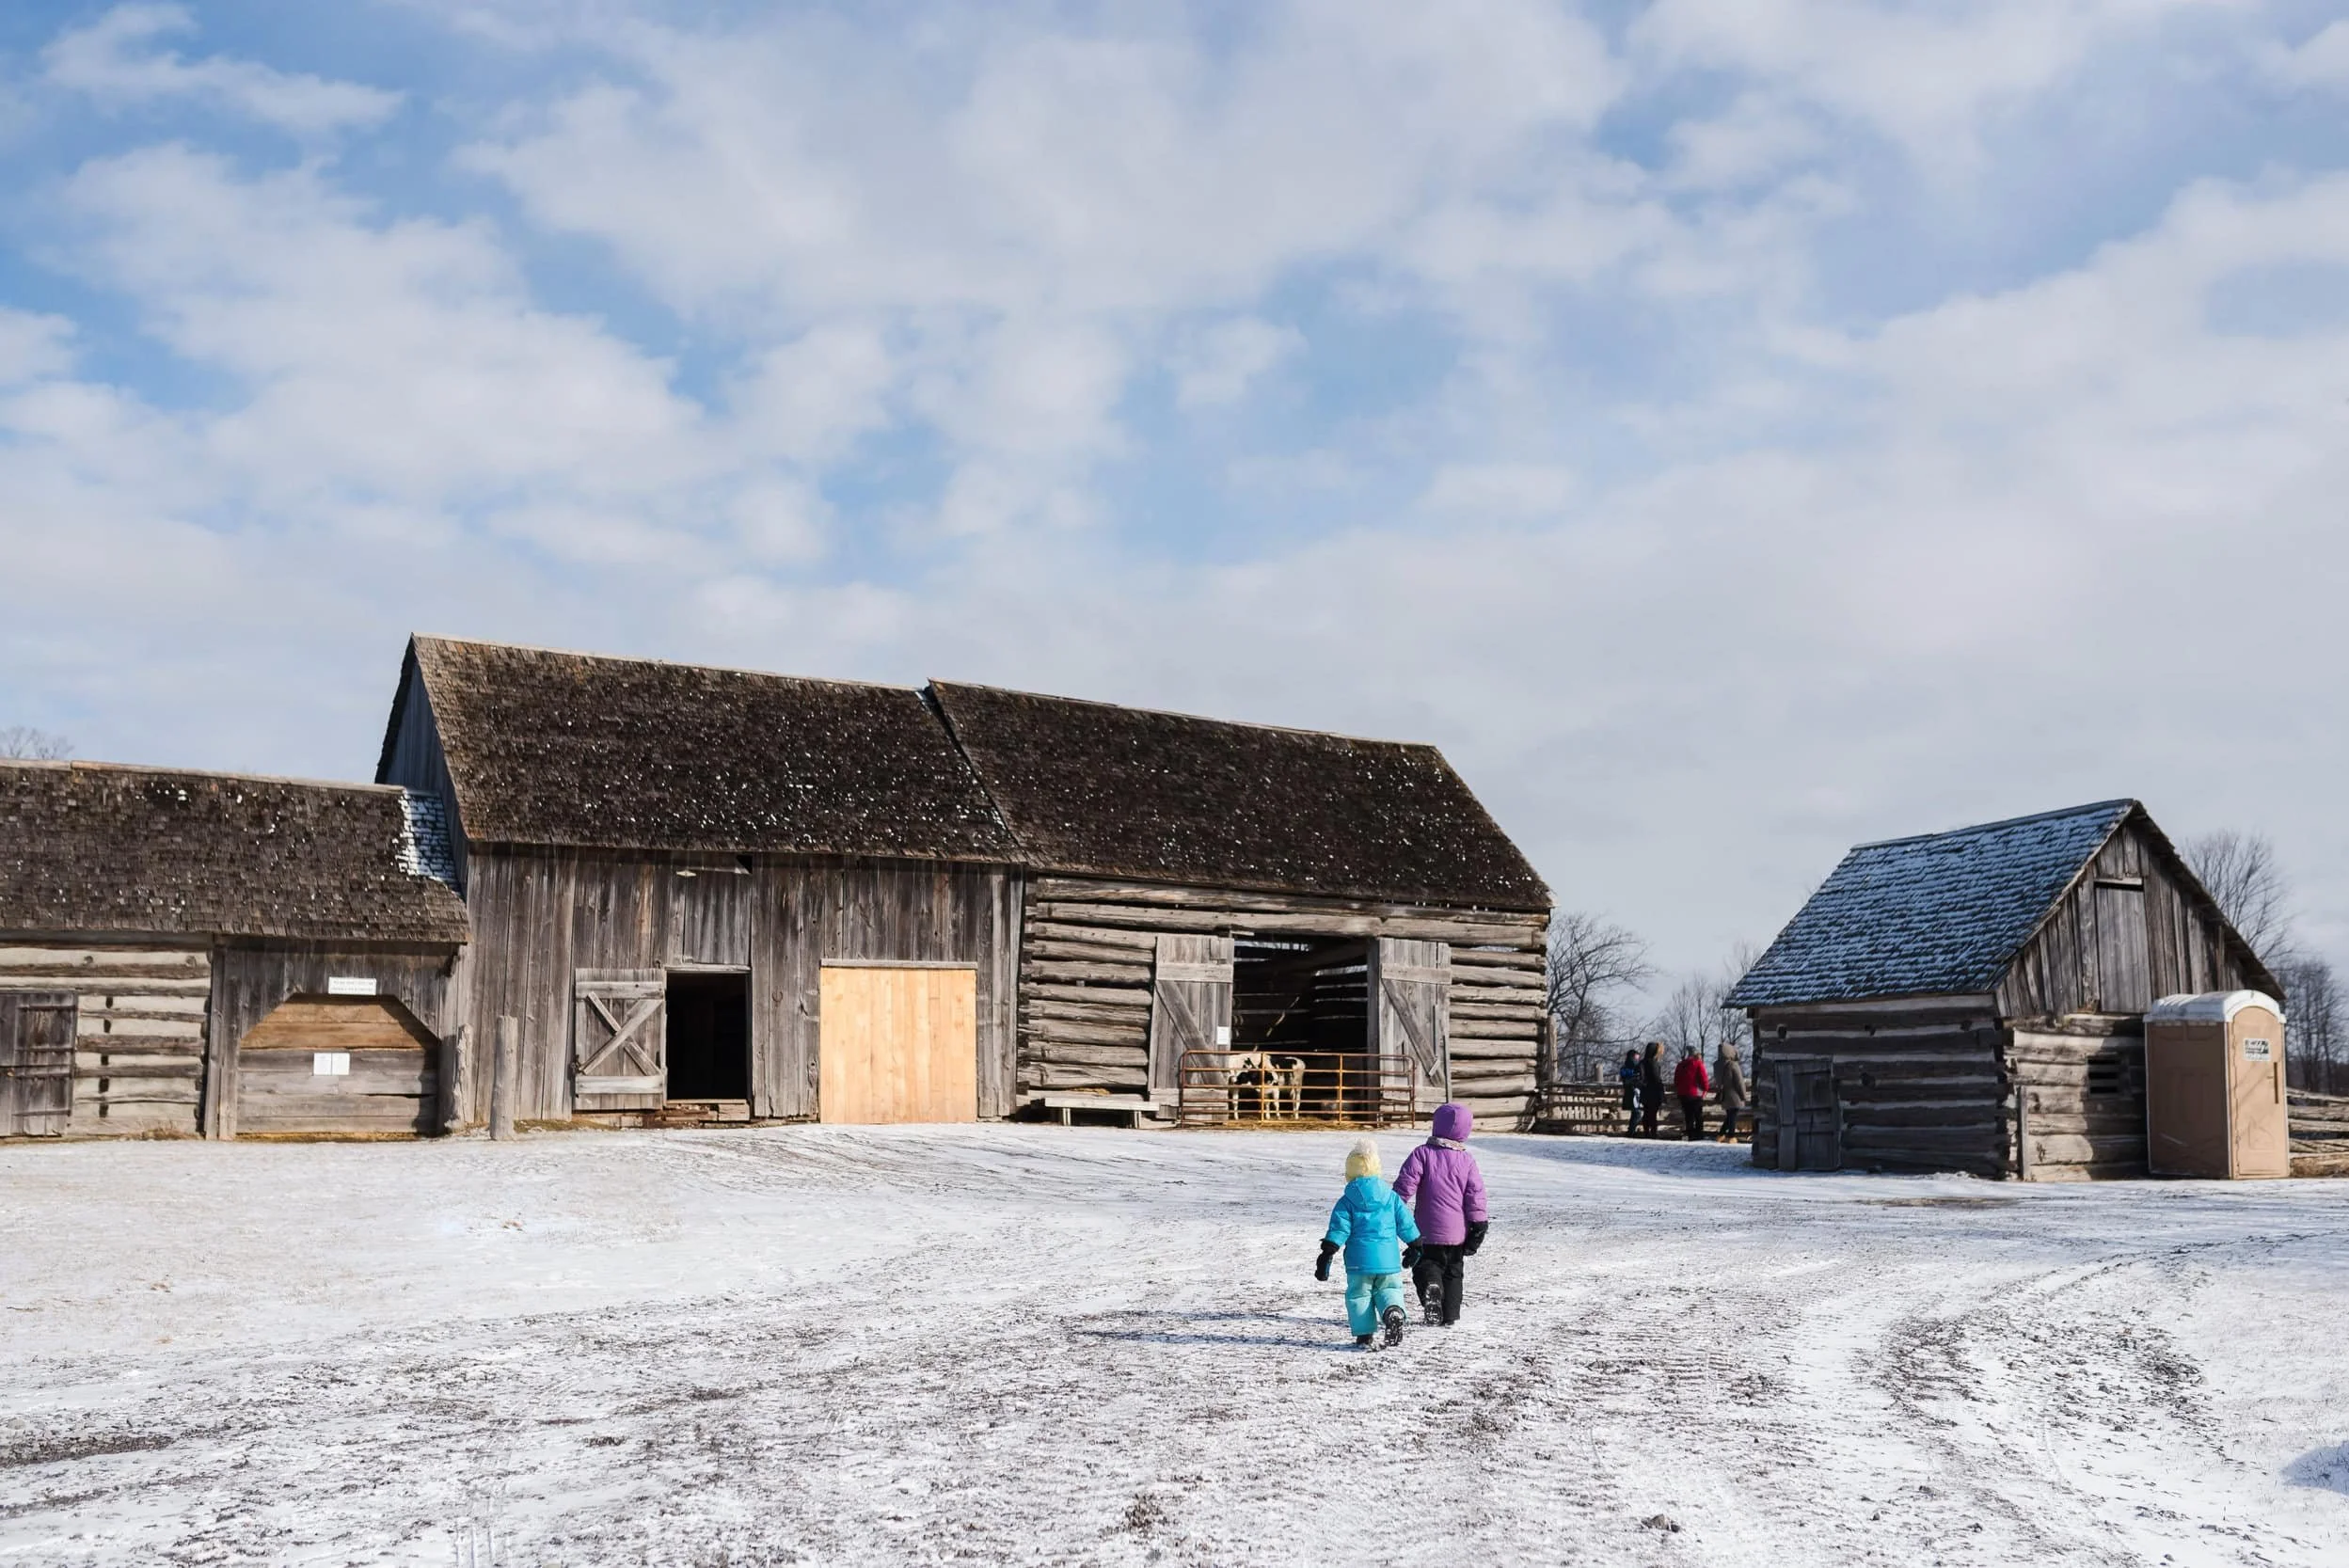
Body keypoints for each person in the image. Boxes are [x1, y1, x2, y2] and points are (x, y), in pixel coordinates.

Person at [1315, 1139, 1421, 1350]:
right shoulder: (1391, 1197)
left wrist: (1327, 1252)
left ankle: (1364, 1335)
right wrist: (1415, 1244)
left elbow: (1339, 1229)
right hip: (1388, 1261)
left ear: (1349, 1174)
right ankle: (1393, 1311)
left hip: (1359, 1264)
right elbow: (1405, 1223)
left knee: (1359, 1295)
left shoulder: (1346, 1201)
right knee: (1390, 1288)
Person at [1393, 1102, 1490, 1327]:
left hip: (1426, 1231)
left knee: (1426, 1267)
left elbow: (1404, 1187)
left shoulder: (1422, 1154)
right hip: (1457, 1233)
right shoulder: (1467, 1161)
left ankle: (1430, 1289)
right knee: (1454, 1272)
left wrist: (1392, 1210)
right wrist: (1478, 1225)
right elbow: (1475, 1195)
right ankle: (1450, 1314)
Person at [1674, 1045, 1711, 1140]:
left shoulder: (1680, 1065)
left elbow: (1676, 1080)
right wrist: (1705, 1089)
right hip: (1695, 1093)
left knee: (1688, 1115)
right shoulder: (1698, 1064)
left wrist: (1679, 1090)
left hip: (1683, 1094)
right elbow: (1704, 1078)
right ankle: (1699, 1134)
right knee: (1698, 1115)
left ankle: (1690, 1134)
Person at [1714, 1040, 1749, 1142]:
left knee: (1730, 1115)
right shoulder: (1733, 1065)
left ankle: (1721, 1134)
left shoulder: (1718, 1066)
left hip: (1725, 1094)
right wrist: (1743, 1095)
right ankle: (1731, 1136)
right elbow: (1739, 1082)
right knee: (1732, 1115)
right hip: (1734, 1094)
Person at [1638, 1041, 1667, 1137]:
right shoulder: (1653, 1063)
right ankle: (1653, 1133)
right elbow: (1656, 1078)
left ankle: (1647, 1132)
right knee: (1653, 1114)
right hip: (1654, 1092)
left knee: (1646, 1113)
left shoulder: (1642, 1062)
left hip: (1645, 1091)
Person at [1616, 1049, 1642, 1134]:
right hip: (1632, 1092)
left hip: (1634, 1092)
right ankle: (1631, 1131)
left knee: (1636, 1113)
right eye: (1636, 1057)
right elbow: (1627, 1079)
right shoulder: (1629, 1069)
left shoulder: (1634, 1068)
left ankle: (1631, 1130)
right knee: (1636, 1112)